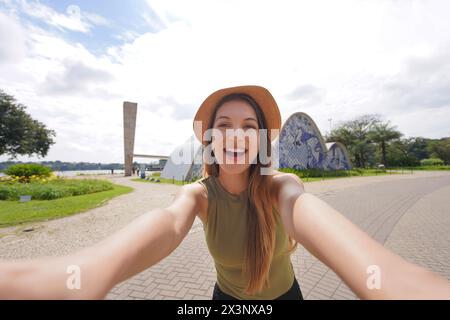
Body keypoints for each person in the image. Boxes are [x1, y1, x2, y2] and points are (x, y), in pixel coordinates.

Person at [0, 85, 449, 300]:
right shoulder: (197, 195)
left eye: (250, 127)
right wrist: (87, 272)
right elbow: (166, 223)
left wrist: (392, 281)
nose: (236, 136)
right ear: (210, 139)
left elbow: (316, 221)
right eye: (224, 126)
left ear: (261, 142)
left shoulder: (282, 188)